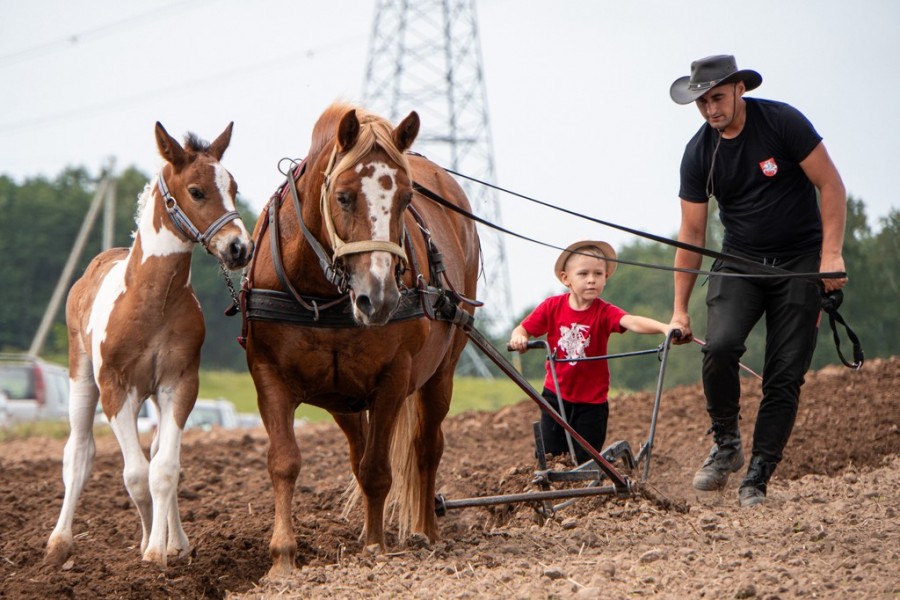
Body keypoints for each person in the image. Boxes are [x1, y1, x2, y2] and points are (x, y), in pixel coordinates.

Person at [667, 55, 848, 507]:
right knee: (722, 345)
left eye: (718, 98)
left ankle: (759, 475)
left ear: (739, 89)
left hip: (801, 262)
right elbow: (691, 232)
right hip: (740, 261)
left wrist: (830, 255)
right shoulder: (699, 153)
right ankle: (726, 443)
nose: (711, 110)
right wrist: (679, 309)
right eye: (702, 102)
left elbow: (831, 185)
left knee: (783, 376)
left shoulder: (782, 123)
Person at [509, 240, 677, 465]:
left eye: (598, 274)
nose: (591, 279)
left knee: (586, 459)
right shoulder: (552, 307)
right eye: (584, 274)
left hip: (592, 403)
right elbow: (523, 329)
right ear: (566, 278)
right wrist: (519, 338)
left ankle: (585, 493)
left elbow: (632, 321)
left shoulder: (605, 312)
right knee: (550, 456)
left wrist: (664, 328)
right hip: (555, 396)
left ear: (605, 278)